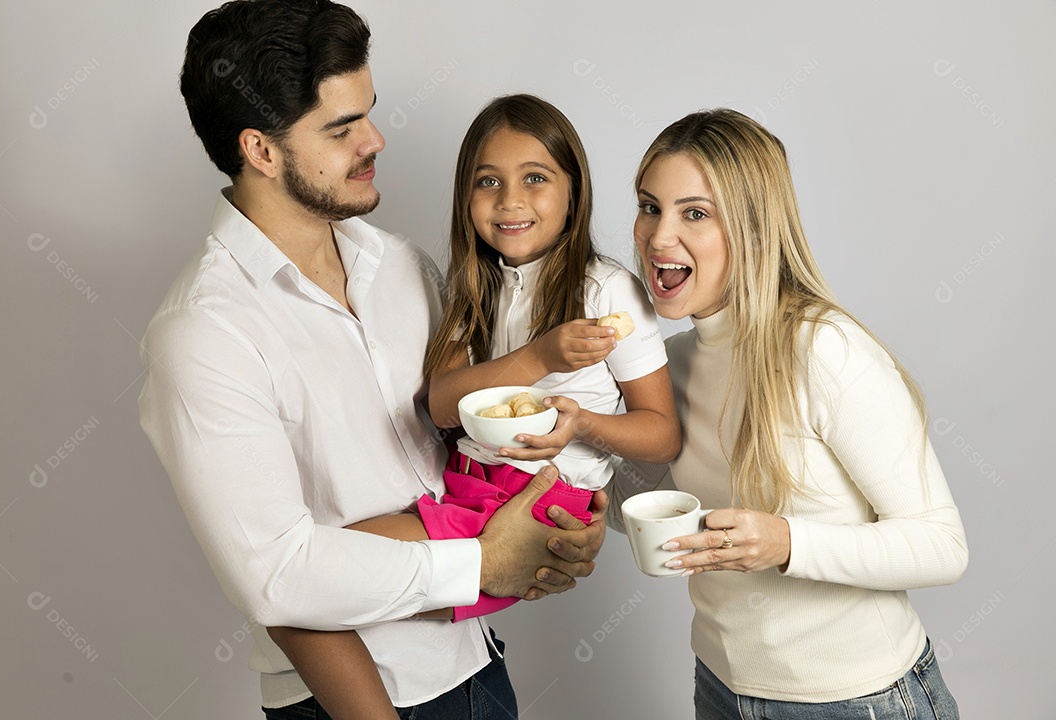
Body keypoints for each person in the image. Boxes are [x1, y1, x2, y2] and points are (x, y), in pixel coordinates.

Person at [138, 2, 606, 719]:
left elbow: (470, 448)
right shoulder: (204, 333)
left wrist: (558, 513)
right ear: (261, 150)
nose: (376, 139)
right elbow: (277, 574)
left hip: (479, 667)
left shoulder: (402, 267)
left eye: (369, 112)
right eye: (341, 128)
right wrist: (481, 562)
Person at [265, 93, 682, 718]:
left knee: (311, 583)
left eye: (536, 179)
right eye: (489, 182)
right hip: (469, 486)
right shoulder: (474, 287)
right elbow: (440, 406)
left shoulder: (604, 289)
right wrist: (540, 357)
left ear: (575, 191)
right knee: (311, 585)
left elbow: (662, 434)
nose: (510, 201)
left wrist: (583, 424)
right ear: (466, 197)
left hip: (537, 500)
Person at [609, 109, 968, 718]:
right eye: (650, 207)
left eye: (694, 213)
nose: (658, 236)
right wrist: (575, 444)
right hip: (723, 687)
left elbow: (942, 545)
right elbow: (640, 506)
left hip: (857, 700)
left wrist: (786, 543)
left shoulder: (822, 349)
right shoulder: (668, 362)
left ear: (752, 228)